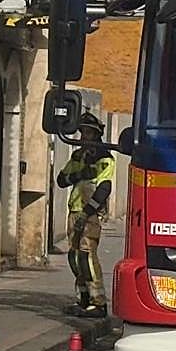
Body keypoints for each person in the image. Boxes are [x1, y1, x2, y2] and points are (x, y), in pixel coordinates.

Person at [56, 112, 116, 318]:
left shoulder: (104, 158)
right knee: (74, 257)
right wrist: (80, 174)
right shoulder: (78, 156)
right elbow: (62, 179)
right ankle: (82, 299)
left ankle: (98, 302)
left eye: (88, 133)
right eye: (82, 132)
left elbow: (103, 188)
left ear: (97, 134)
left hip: (89, 215)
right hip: (74, 211)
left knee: (86, 256)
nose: (84, 136)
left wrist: (87, 212)